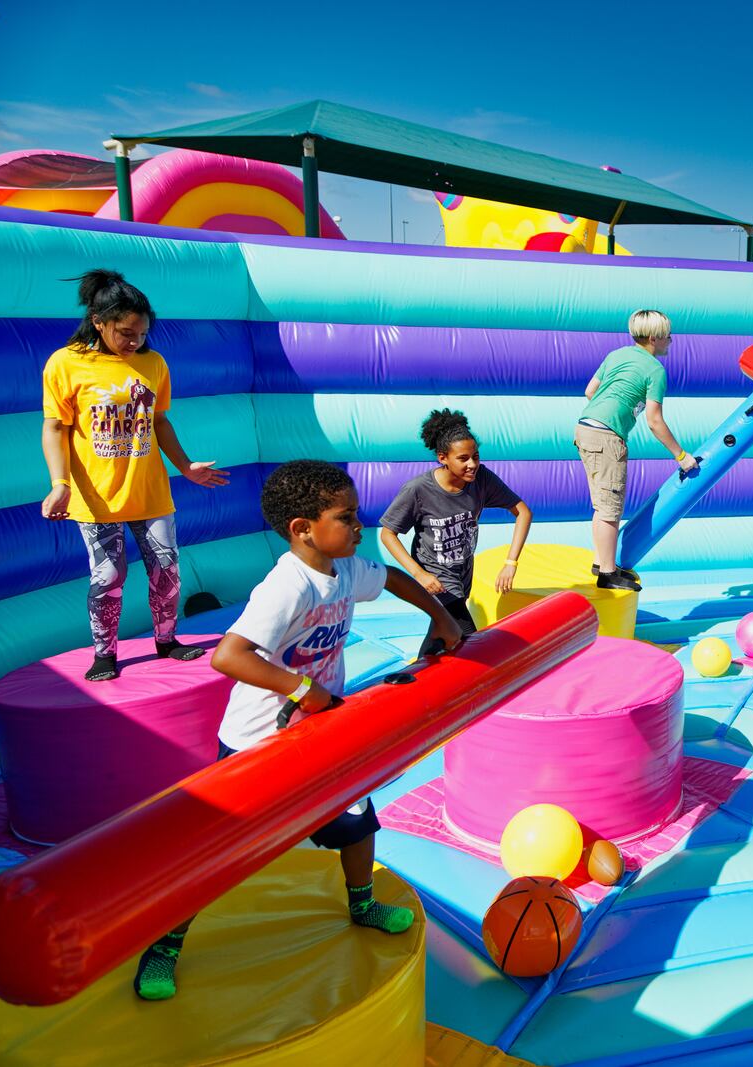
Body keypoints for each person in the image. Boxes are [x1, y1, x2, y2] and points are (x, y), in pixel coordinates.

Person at [131, 461, 462, 1001]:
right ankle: (165, 943)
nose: (359, 526)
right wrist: (302, 690)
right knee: (216, 851)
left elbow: (395, 577)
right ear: (303, 529)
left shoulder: (347, 567)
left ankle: (362, 904)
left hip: (322, 730)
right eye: (346, 517)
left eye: (356, 515)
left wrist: (442, 617)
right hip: (258, 739)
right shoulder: (287, 586)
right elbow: (228, 656)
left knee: (356, 823)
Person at [40, 269, 229, 683]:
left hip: (149, 490)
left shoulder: (152, 363)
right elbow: (55, 427)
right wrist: (60, 484)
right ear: (98, 321)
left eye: (141, 334)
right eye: (126, 332)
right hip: (97, 497)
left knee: (167, 569)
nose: (135, 341)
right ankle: (105, 653)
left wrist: (185, 466)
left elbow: (159, 421)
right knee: (109, 576)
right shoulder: (67, 363)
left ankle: (167, 639)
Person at [379, 409, 532, 652]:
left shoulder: (481, 479)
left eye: (476, 456)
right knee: (469, 637)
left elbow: (523, 512)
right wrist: (419, 574)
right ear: (443, 458)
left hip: (462, 570)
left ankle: (419, 678)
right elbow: (387, 533)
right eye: (463, 459)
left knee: (443, 631)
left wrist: (510, 563)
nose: (472, 464)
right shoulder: (419, 490)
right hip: (435, 574)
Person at [576, 310, 696, 591]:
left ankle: (601, 561)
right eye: (668, 335)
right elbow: (655, 421)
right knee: (609, 506)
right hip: (606, 435)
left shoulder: (617, 355)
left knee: (603, 501)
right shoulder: (655, 370)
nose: (671, 340)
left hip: (585, 427)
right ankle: (607, 574)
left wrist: (617, 407)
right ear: (654, 338)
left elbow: (590, 391)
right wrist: (681, 455)